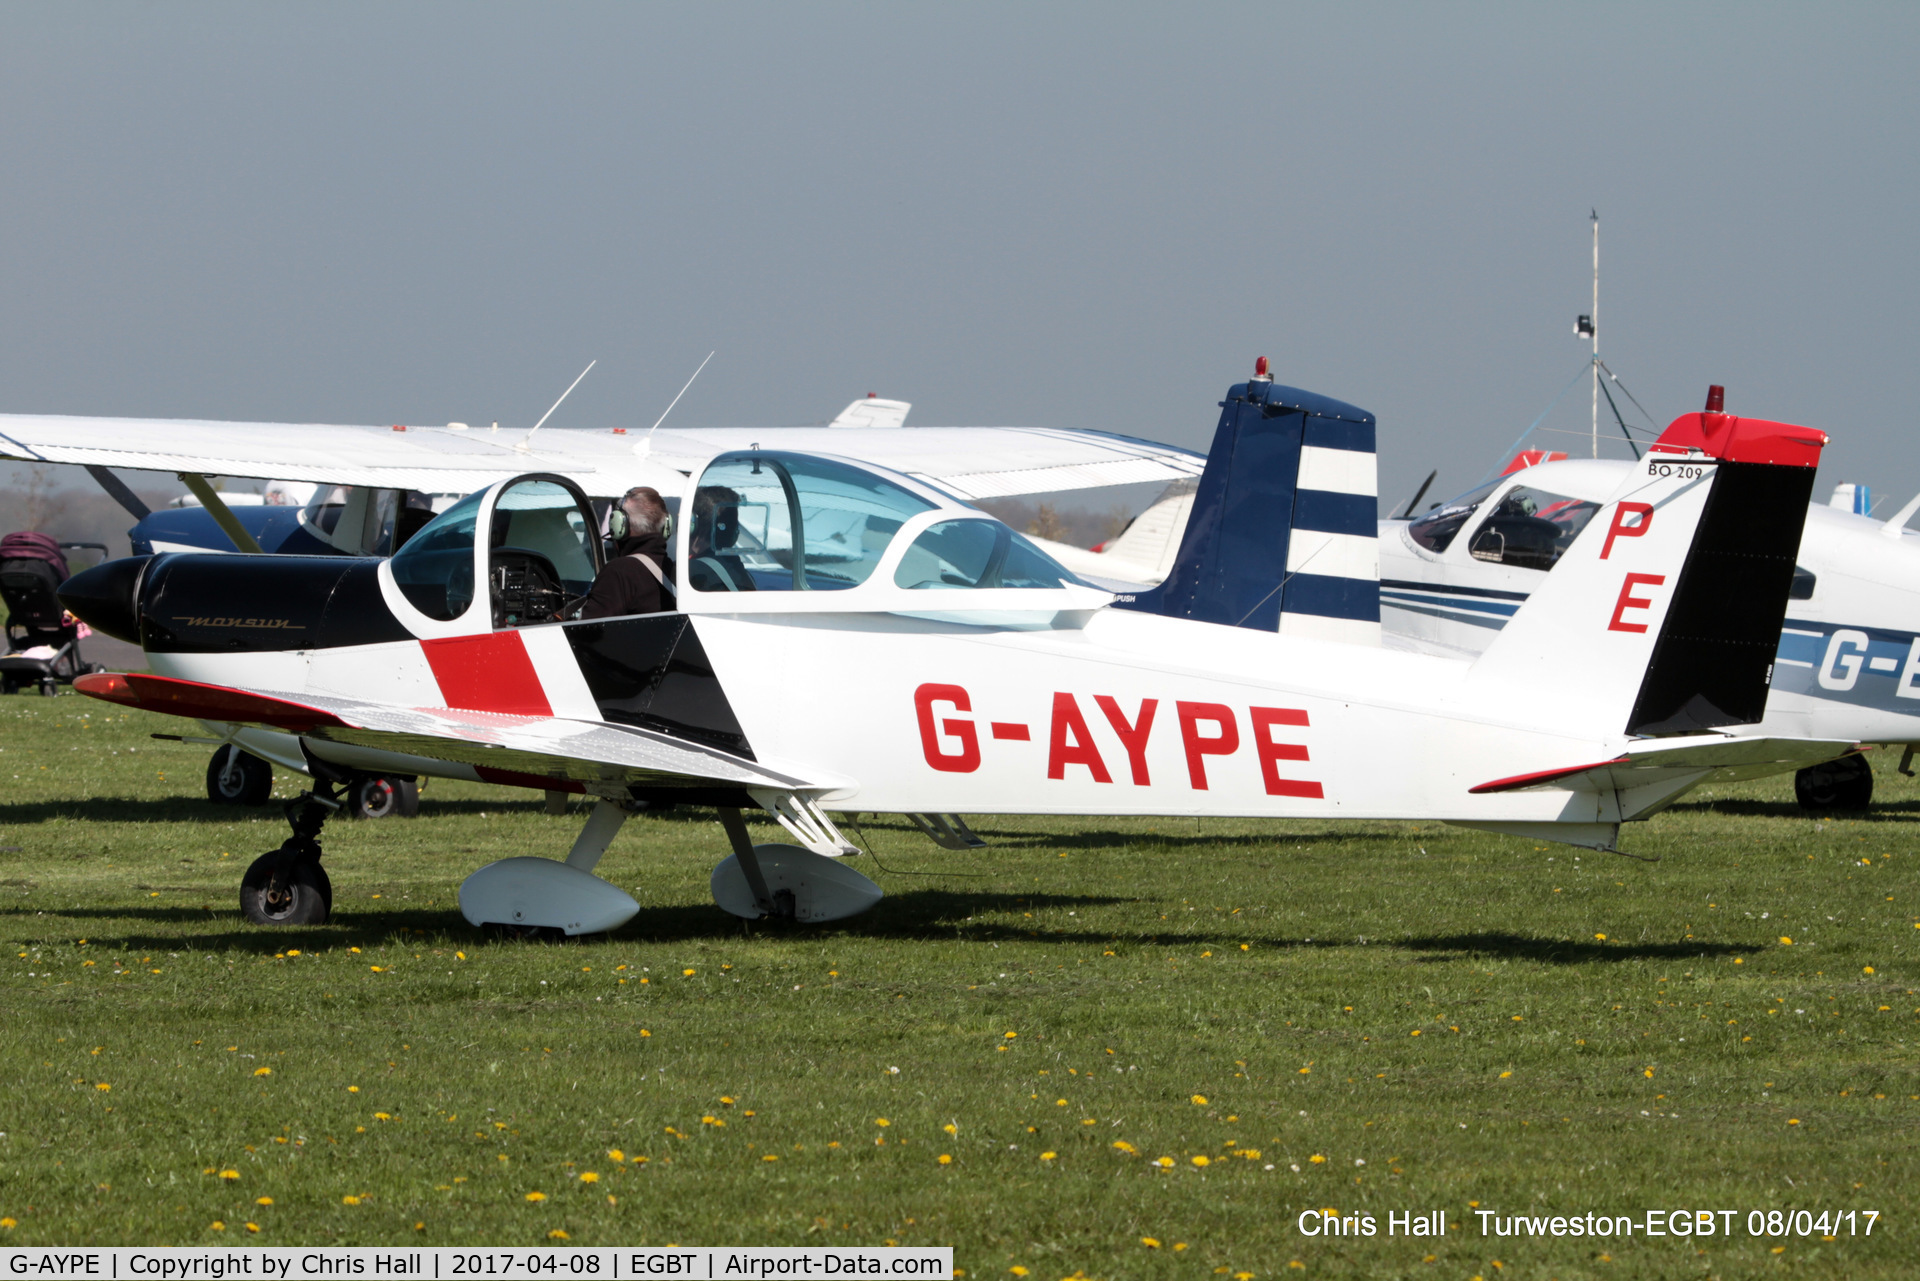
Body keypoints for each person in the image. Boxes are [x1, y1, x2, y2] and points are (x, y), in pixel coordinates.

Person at [579, 486, 674, 618]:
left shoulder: (617, 573)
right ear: (666, 526)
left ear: (618, 525)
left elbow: (588, 634)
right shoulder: (675, 571)